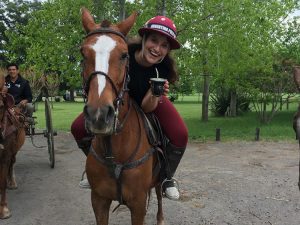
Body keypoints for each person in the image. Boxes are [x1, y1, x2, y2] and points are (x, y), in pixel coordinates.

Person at [71, 15, 188, 200]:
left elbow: (146, 108)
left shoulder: (163, 69)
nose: (157, 49)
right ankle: (95, 168)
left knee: (180, 134)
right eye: (154, 40)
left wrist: (155, 93)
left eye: (164, 45)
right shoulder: (123, 52)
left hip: (149, 99)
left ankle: (166, 177)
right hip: (120, 98)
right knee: (78, 127)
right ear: (144, 39)